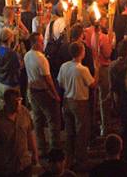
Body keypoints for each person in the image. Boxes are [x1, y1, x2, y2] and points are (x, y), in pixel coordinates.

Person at [0, 87, 38, 176]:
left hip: (24, 163)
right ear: (6, 102)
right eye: (14, 102)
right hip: (5, 167)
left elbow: (30, 132)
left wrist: (35, 153)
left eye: (19, 100)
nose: (18, 104)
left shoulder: (24, 112)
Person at [57, 41, 95, 169]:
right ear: (81, 53)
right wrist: (98, 71)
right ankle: (81, 160)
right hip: (80, 102)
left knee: (69, 131)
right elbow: (92, 84)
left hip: (67, 100)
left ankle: (68, 158)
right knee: (81, 132)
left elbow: (60, 83)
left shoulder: (64, 66)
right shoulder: (82, 70)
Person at [25, 32, 61, 155]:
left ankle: (41, 147)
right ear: (35, 43)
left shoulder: (27, 55)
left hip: (32, 91)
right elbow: (48, 79)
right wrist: (55, 94)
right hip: (43, 91)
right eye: (40, 42)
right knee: (53, 120)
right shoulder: (41, 58)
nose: (42, 44)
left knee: (37, 120)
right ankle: (54, 147)